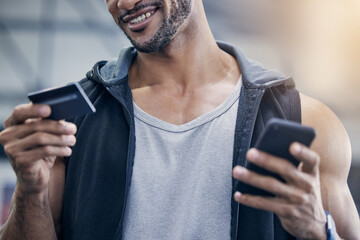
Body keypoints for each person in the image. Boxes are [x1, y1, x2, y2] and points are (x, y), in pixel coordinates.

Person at [0, 0, 359, 239]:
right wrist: (30, 190)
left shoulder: (309, 123)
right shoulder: (72, 121)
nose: (123, 3)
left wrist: (317, 229)